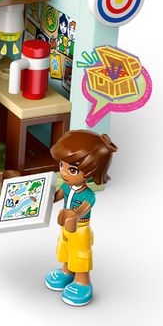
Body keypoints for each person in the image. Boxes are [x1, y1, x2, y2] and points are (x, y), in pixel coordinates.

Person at [45, 129, 118, 306]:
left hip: (80, 230)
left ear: (91, 171)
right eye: (61, 165)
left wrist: (74, 215)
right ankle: (66, 271)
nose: (64, 173)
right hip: (65, 227)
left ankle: (82, 282)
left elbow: (83, 209)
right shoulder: (67, 186)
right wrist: (42, 197)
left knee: (80, 255)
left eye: (72, 169)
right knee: (64, 249)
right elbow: (57, 196)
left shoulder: (88, 195)